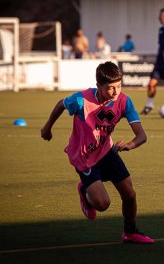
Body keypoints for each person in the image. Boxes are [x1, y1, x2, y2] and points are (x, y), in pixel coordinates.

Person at [40, 61, 154, 244]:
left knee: (130, 194)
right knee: (102, 204)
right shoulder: (81, 100)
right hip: (84, 158)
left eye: (119, 86)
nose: (116, 92)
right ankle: (84, 190)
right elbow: (61, 104)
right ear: (98, 85)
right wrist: (47, 128)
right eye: (110, 88)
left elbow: (141, 135)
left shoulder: (124, 101)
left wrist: (130, 145)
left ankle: (130, 232)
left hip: (107, 151)